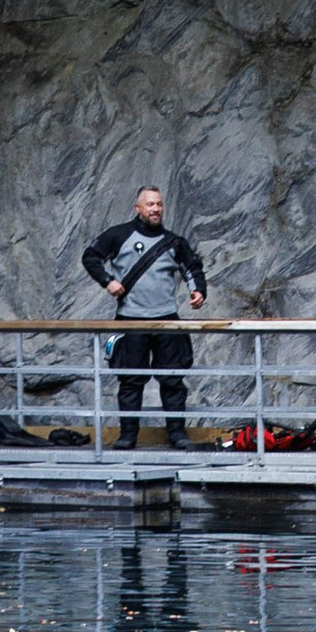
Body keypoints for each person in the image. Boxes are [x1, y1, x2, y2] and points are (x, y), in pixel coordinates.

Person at [79, 186, 208, 449]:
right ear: (138, 208)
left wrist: (198, 290)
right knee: (129, 380)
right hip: (130, 321)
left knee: (173, 380)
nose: (155, 209)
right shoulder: (119, 235)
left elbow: (192, 267)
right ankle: (128, 435)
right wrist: (108, 281)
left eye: (159, 204)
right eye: (150, 204)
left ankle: (177, 434)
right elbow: (90, 257)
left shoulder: (174, 242)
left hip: (167, 322)